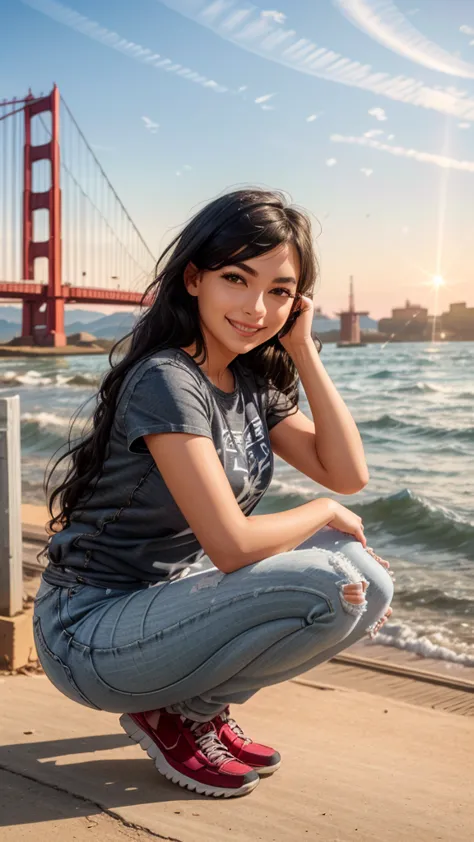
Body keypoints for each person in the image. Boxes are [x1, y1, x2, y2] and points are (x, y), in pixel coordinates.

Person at [33, 188, 394, 799]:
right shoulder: (167, 381)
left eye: (279, 291)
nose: (257, 307)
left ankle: (191, 713)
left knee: (371, 583)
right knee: (334, 579)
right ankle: (173, 717)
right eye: (236, 278)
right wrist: (323, 511)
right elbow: (230, 546)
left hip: (167, 611)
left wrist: (303, 348)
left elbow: (347, 473)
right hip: (86, 631)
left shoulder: (249, 380)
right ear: (194, 279)